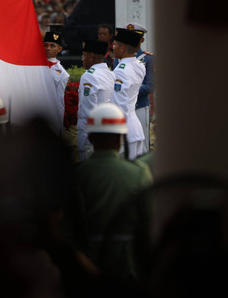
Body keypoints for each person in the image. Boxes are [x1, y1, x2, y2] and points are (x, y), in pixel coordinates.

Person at [74, 102, 153, 283]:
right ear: (120, 138)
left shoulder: (77, 175)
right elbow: (148, 223)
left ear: (91, 137)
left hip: (86, 267)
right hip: (128, 268)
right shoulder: (138, 173)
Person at [77, 40, 115, 161]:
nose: (83, 59)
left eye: (84, 55)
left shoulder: (89, 76)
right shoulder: (110, 74)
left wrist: (87, 139)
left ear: (91, 56)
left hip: (90, 136)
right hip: (106, 131)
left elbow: (89, 111)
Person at [111, 28, 146, 160]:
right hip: (134, 126)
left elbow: (119, 106)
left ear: (123, 48)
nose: (113, 48)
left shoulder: (120, 71)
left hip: (124, 130)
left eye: (115, 45)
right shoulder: (139, 65)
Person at [124, 22, 155, 155]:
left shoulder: (148, 59)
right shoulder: (118, 59)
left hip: (140, 105)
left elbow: (150, 86)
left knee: (141, 144)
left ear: (141, 40)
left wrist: (131, 92)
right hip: (123, 106)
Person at [44, 32, 70, 127]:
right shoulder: (34, 66)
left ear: (59, 49)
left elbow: (59, 102)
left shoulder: (62, 73)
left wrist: (58, 125)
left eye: (52, 46)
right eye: (45, 45)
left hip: (48, 115)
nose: (48, 48)